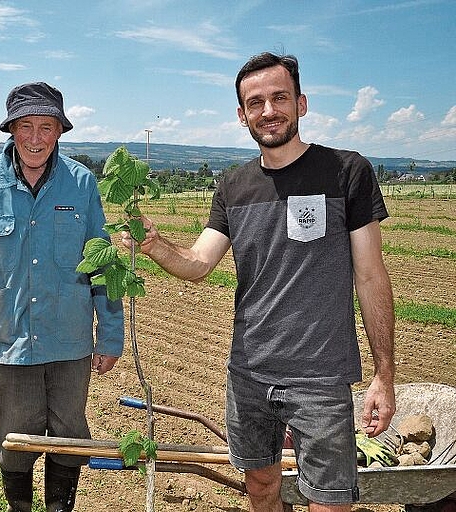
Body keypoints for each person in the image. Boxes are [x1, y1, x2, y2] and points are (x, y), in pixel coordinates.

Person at [121, 52, 396, 512]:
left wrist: (384, 375)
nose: (268, 111)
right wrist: (154, 244)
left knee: (328, 503)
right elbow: (198, 262)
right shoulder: (233, 186)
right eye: (256, 102)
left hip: (321, 379)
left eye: (279, 98)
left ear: (301, 104)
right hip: (249, 373)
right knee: (261, 486)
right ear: (241, 114)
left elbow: (371, 276)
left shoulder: (347, 172)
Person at [0, 82, 124, 512]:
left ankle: (59, 507)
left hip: (69, 338)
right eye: (25, 126)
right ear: (10, 129)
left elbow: (100, 261)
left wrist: (111, 335)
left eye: (47, 127)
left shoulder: (81, 183)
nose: (35, 138)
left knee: (68, 433)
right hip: (7, 340)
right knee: (15, 432)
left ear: (60, 132)